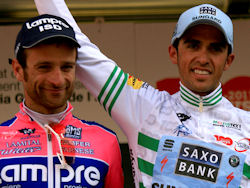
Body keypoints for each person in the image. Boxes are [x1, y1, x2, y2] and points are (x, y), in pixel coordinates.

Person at [35, 0, 250, 187]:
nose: (203, 58)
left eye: (215, 48)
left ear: (228, 60)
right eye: (193, 45)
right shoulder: (146, 108)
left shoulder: (247, 126)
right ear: (173, 53)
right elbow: (79, 47)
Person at [0, 14, 124, 187]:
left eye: (66, 67)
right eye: (44, 67)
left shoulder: (106, 141)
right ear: (18, 69)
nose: (57, 80)